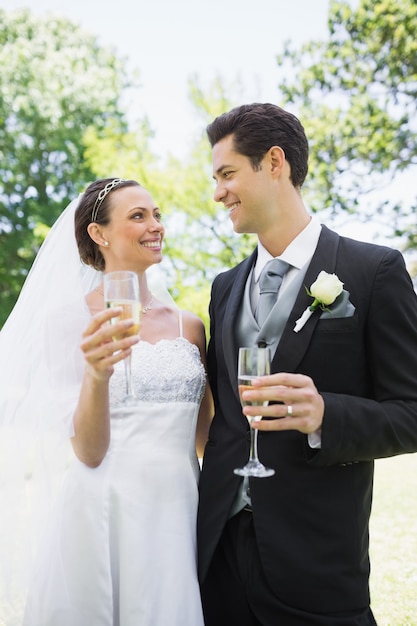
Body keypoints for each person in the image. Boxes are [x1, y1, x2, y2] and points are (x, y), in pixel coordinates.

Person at [197, 103, 417, 625]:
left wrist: (325, 416)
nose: (217, 192)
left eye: (227, 174)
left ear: (274, 163)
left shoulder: (373, 271)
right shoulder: (224, 287)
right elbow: (223, 417)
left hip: (317, 564)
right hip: (218, 556)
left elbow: (411, 411)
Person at [0, 178, 212, 626]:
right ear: (100, 234)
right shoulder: (65, 323)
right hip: (101, 508)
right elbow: (89, 452)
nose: (155, 225)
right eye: (138, 216)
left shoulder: (189, 327)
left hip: (177, 509)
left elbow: (207, 440)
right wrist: (98, 374)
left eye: (156, 214)